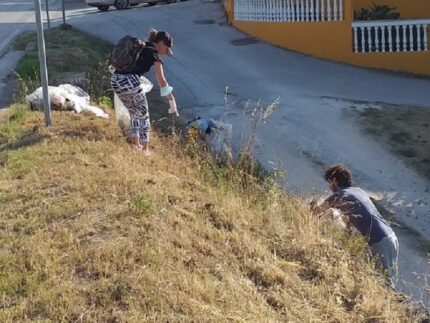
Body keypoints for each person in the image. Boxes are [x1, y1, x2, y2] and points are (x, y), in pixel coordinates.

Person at [311, 164, 399, 288]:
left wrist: (312, 208)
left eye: (329, 183)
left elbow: (316, 212)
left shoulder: (340, 195)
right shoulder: (358, 191)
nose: (329, 187)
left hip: (380, 240)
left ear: (334, 181)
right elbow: (352, 219)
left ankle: (388, 306)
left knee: (386, 284)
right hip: (389, 236)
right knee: (382, 278)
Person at [110, 29, 178, 156]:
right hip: (130, 81)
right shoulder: (154, 55)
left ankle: (136, 145)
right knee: (143, 114)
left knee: (134, 112)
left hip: (115, 79)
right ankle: (145, 149)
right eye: (166, 49)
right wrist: (171, 100)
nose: (165, 53)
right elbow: (162, 82)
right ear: (162, 44)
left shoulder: (141, 46)